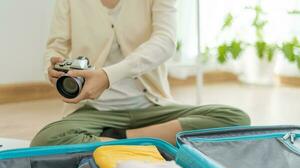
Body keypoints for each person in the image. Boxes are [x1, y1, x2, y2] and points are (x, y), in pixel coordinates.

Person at [31, 0, 250, 146]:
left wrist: (108, 76)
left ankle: (116, 142)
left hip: (151, 107)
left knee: (236, 119)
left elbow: (165, 42)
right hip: (94, 112)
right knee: (45, 140)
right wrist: (51, 68)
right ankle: (157, 141)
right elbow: (55, 47)